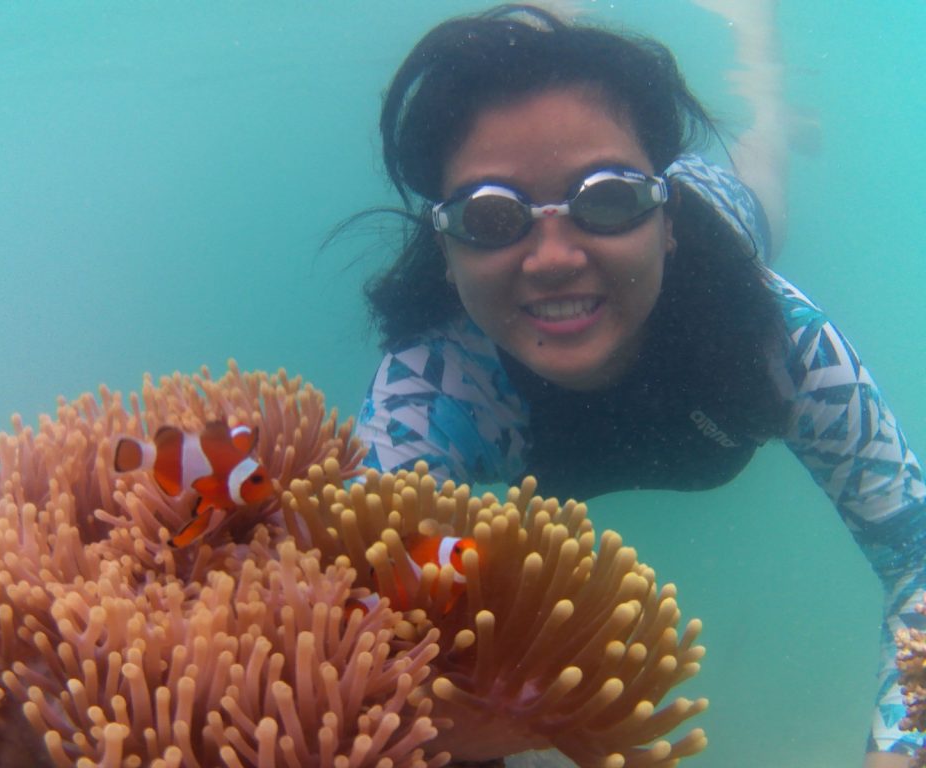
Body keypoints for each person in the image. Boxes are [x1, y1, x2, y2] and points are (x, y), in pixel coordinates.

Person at [351, 4, 926, 766]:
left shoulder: (778, 340)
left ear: (667, 221)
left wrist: (903, 748)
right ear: (445, 246)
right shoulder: (436, 387)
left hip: (725, 216)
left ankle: (770, 115)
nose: (553, 258)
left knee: (762, 194)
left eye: (609, 198)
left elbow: (916, 552)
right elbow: (355, 605)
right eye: (492, 218)